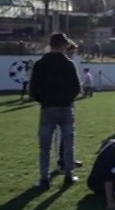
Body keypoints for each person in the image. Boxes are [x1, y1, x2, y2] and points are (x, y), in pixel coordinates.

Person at [30, 32, 81, 189]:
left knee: (45, 146)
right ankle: (68, 174)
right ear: (63, 45)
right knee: (68, 142)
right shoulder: (68, 64)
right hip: (65, 108)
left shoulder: (40, 64)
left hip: (48, 108)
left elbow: (33, 90)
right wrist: (67, 99)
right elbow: (76, 88)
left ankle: (44, 178)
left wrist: (44, 100)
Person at [56, 42, 84, 173]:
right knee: (63, 134)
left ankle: (69, 159)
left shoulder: (69, 64)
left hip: (69, 102)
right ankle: (62, 161)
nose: (73, 55)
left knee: (70, 133)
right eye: (72, 52)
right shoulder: (63, 65)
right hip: (62, 103)